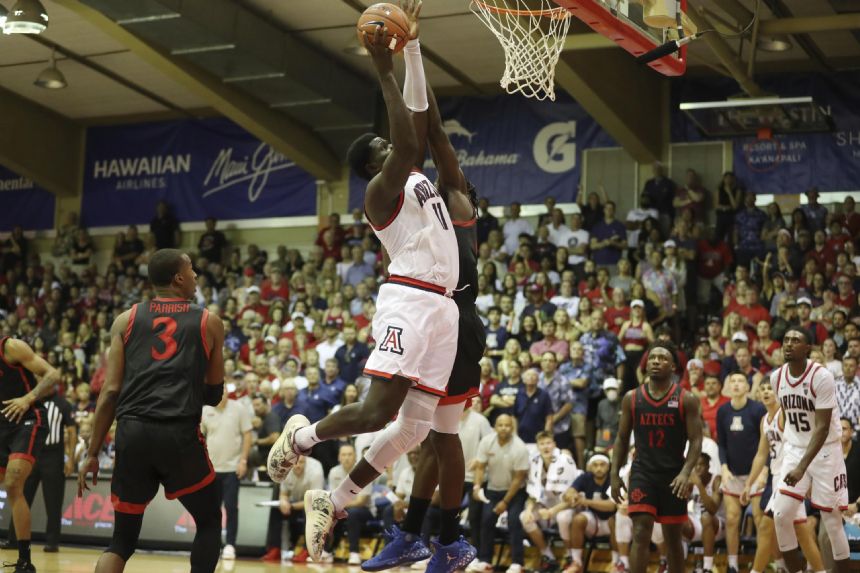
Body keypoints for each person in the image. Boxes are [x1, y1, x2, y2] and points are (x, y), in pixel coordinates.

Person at [268, 8, 461, 563]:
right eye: (382, 144)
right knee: (378, 412)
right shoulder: (382, 194)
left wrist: (415, 51)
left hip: (442, 309)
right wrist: (384, 67)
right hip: (411, 300)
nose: (392, 141)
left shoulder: (416, 173)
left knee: (413, 430)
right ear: (373, 164)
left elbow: (419, 122)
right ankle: (300, 439)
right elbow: (406, 141)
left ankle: (333, 498)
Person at [361, 27, 485, 572]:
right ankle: (419, 534)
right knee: (428, 439)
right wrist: (414, 52)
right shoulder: (433, 203)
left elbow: (429, 130)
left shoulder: (453, 199)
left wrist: (410, 56)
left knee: (438, 439)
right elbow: (421, 130)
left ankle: (446, 539)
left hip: (451, 322)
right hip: (438, 321)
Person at [77, 249, 227, 573]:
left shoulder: (125, 320)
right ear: (178, 278)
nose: (196, 276)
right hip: (178, 433)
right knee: (209, 520)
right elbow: (214, 394)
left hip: (131, 433)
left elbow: (110, 392)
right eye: (191, 270)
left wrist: (91, 453)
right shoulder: (208, 321)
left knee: (121, 542)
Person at [610, 342, 703, 573]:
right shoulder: (632, 398)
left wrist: (685, 472)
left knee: (673, 539)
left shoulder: (686, 399)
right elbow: (621, 439)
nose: (655, 362)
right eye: (652, 358)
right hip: (643, 472)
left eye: (662, 358)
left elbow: (696, 441)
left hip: (674, 475)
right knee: (641, 532)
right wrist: (614, 474)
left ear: (673, 366)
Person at [771, 327, 851, 573]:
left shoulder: (821, 377)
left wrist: (802, 469)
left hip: (826, 451)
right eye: (786, 339)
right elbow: (788, 415)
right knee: (781, 515)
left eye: (796, 340)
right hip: (795, 449)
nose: (789, 344)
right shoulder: (776, 377)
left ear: (807, 348)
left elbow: (822, 428)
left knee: (832, 522)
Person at [741, 379, 825, 573]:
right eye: (762, 389)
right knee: (802, 532)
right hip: (777, 477)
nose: (766, 392)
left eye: (770, 388)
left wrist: (808, 475)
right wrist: (749, 484)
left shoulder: (785, 414)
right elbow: (761, 455)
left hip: (791, 478)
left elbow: (806, 440)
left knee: (764, 526)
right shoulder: (764, 420)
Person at [0, 337, 61, 573]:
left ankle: (25, 559)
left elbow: (52, 374)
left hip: (27, 418)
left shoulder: (10, 346)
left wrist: (27, 398)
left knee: (14, 482)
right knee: (11, 487)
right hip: (2, 424)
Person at [8, 391, 76, 554]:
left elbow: (72, 431)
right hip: (31, 453)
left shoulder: (62, 404)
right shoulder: (30, 402)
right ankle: (13, 539)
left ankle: (52, 542)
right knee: (21, 495)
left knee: (54, 502)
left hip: (54, 456)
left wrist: (71, 459)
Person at [716, 372, 766, 573]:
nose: (736, 385)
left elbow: (766, 443)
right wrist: (724, 467)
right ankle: (733, 565)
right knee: (732, 519)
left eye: (740, 381)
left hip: (755, 474)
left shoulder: (757, 409)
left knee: (761, 521)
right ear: (727, 387)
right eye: (732, 381)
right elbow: (722, 444)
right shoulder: (722, 411)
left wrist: (763, 471)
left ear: (747, 387)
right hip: (733, 475)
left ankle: (767, 564)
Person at [467, 414, 529, 573]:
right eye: (500, 425)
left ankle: (517, 563)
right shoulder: (487, 441)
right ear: (495, 427)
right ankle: (485, 560)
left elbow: (519, 478)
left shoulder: (520, 447)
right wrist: (477, 487)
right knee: (486, 520)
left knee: (514, 521)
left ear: (512, 428)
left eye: (507, 425)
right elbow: (480, 466)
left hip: (515, 492)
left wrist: (506, 502)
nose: (503, 428)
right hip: (493, 489)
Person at [200, 385, 253, 561]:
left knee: (231, 507)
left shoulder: (239, 409)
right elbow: (201, 436)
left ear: (227, 393)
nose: (219, 395)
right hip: (211, 469)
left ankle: (230, 544)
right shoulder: (205, 410)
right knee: (211, 510)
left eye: (222, 392)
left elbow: (247, 435)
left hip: (232, 468)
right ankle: (212, 543)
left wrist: (243, 460)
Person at [519, 432, 579, 573]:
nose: (546, 447)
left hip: (566, 505)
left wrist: (552, 511)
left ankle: (571, 556)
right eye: (542, 444)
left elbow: (573, 498)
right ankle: (548, 556)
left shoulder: (566, 461)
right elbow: (533, 494)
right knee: (524, 517)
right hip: (546, 505)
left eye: (548, 443)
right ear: (537, 446)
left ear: (554, 444)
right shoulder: (534, 461)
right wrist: (528, 510)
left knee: (562, 517)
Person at [564, 454, 617, 573]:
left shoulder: (614, 478)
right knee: (578, 519)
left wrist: (585, 501)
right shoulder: (585, 477)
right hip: (595, 520)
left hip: (612, 520)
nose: (599, 468)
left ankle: (617, 563)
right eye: (595, 465)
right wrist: (571, 495)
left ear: (608, 467)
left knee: (614, 521)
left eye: (602, 465)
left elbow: (611, 506)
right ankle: (576, 562)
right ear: (590, 467)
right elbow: (570, 491)